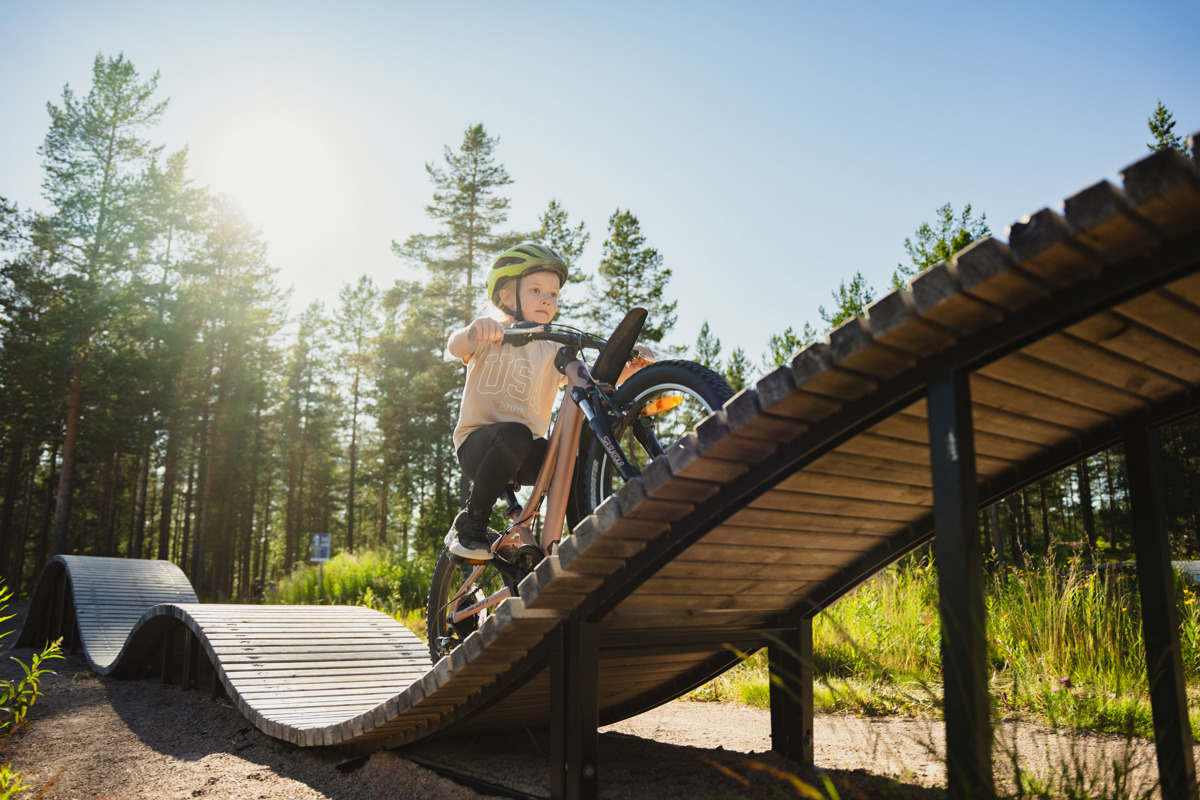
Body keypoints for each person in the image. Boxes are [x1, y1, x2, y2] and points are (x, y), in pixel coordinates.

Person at [446, 242, 650, 560]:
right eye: (536, 290)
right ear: (506, 296)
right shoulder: (492, 334)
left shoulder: (554, 351)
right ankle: (471, 524)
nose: (546, 299)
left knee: (571, 464)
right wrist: (474, 330)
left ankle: (575, 541)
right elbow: (456, 347)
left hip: (526, 453)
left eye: (553, 294)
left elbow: (594, 380)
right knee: (515, 436)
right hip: (477, 446)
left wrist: (630, 368)